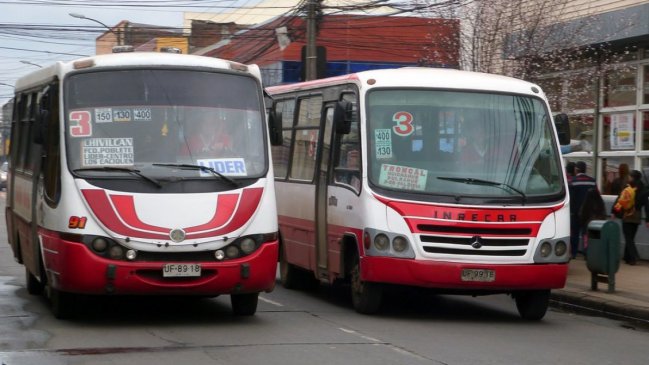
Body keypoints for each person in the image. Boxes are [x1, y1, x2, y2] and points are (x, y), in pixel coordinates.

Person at [611, 170, 649, 265]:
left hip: (627, 214)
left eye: (630, 176)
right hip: (637, 215)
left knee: (628, 237)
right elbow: (647, 205)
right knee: (631, 236)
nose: (628, 177)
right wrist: (648, 219)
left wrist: (614, 211)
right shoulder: (644, 189)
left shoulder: (628, 187)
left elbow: (620, 200)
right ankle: (627, 257)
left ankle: (634, 257)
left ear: (632, 177)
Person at [568, 161, 597, 259]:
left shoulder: (573, 182)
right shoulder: (592, 181)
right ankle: (587, 253)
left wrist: (571, 212)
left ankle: (573, 253)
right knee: (586, 233)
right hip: (588, 213)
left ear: (576, 170)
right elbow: (596, 196)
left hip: (575, 213)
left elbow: (570, 199)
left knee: (574, 233)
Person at [579, 188, 606, 256]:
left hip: (587, 224)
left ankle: (586, 252)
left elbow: (582, 214)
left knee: (586, 239)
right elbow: (604, 215)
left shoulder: (586, 204)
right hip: (599, 226)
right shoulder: (601, 203)